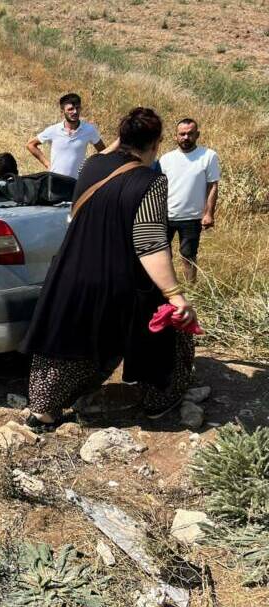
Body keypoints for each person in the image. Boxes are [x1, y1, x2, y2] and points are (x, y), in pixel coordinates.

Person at [20, 107, 198, 430]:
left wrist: (122, 137)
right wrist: (175, 295)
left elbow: (111, 159)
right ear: (157, 143)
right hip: (119, 280)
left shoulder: (91, 166)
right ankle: (159, 400)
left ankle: (44, 410)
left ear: (121, 137)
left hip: (71, 274)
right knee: (166, 330)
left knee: (65, 342)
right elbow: (149, 243)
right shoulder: (152, 181)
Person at [159, 118, 220, 283]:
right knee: (162, 256)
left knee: (188, 256)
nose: (186, 137)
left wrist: (209, 214)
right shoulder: (166, 159)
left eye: (190, 134)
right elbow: (159, 188)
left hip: (192, 217)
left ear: (197, 134)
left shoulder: (208, 156)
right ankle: (167, 290)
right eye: (182, 134)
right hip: (166, 216)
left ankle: (191, 292)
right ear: (175, 136)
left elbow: (212, 186)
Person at [26, 93, 106, 179]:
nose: (75, 112)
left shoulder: (89, 130)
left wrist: (91, 167)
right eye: (70, 109)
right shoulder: (54, 130)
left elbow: (104, 152)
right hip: (55, 180)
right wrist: (47, 164)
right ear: (62, 111)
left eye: (77, 108)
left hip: (76, 182)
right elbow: (30, 145)